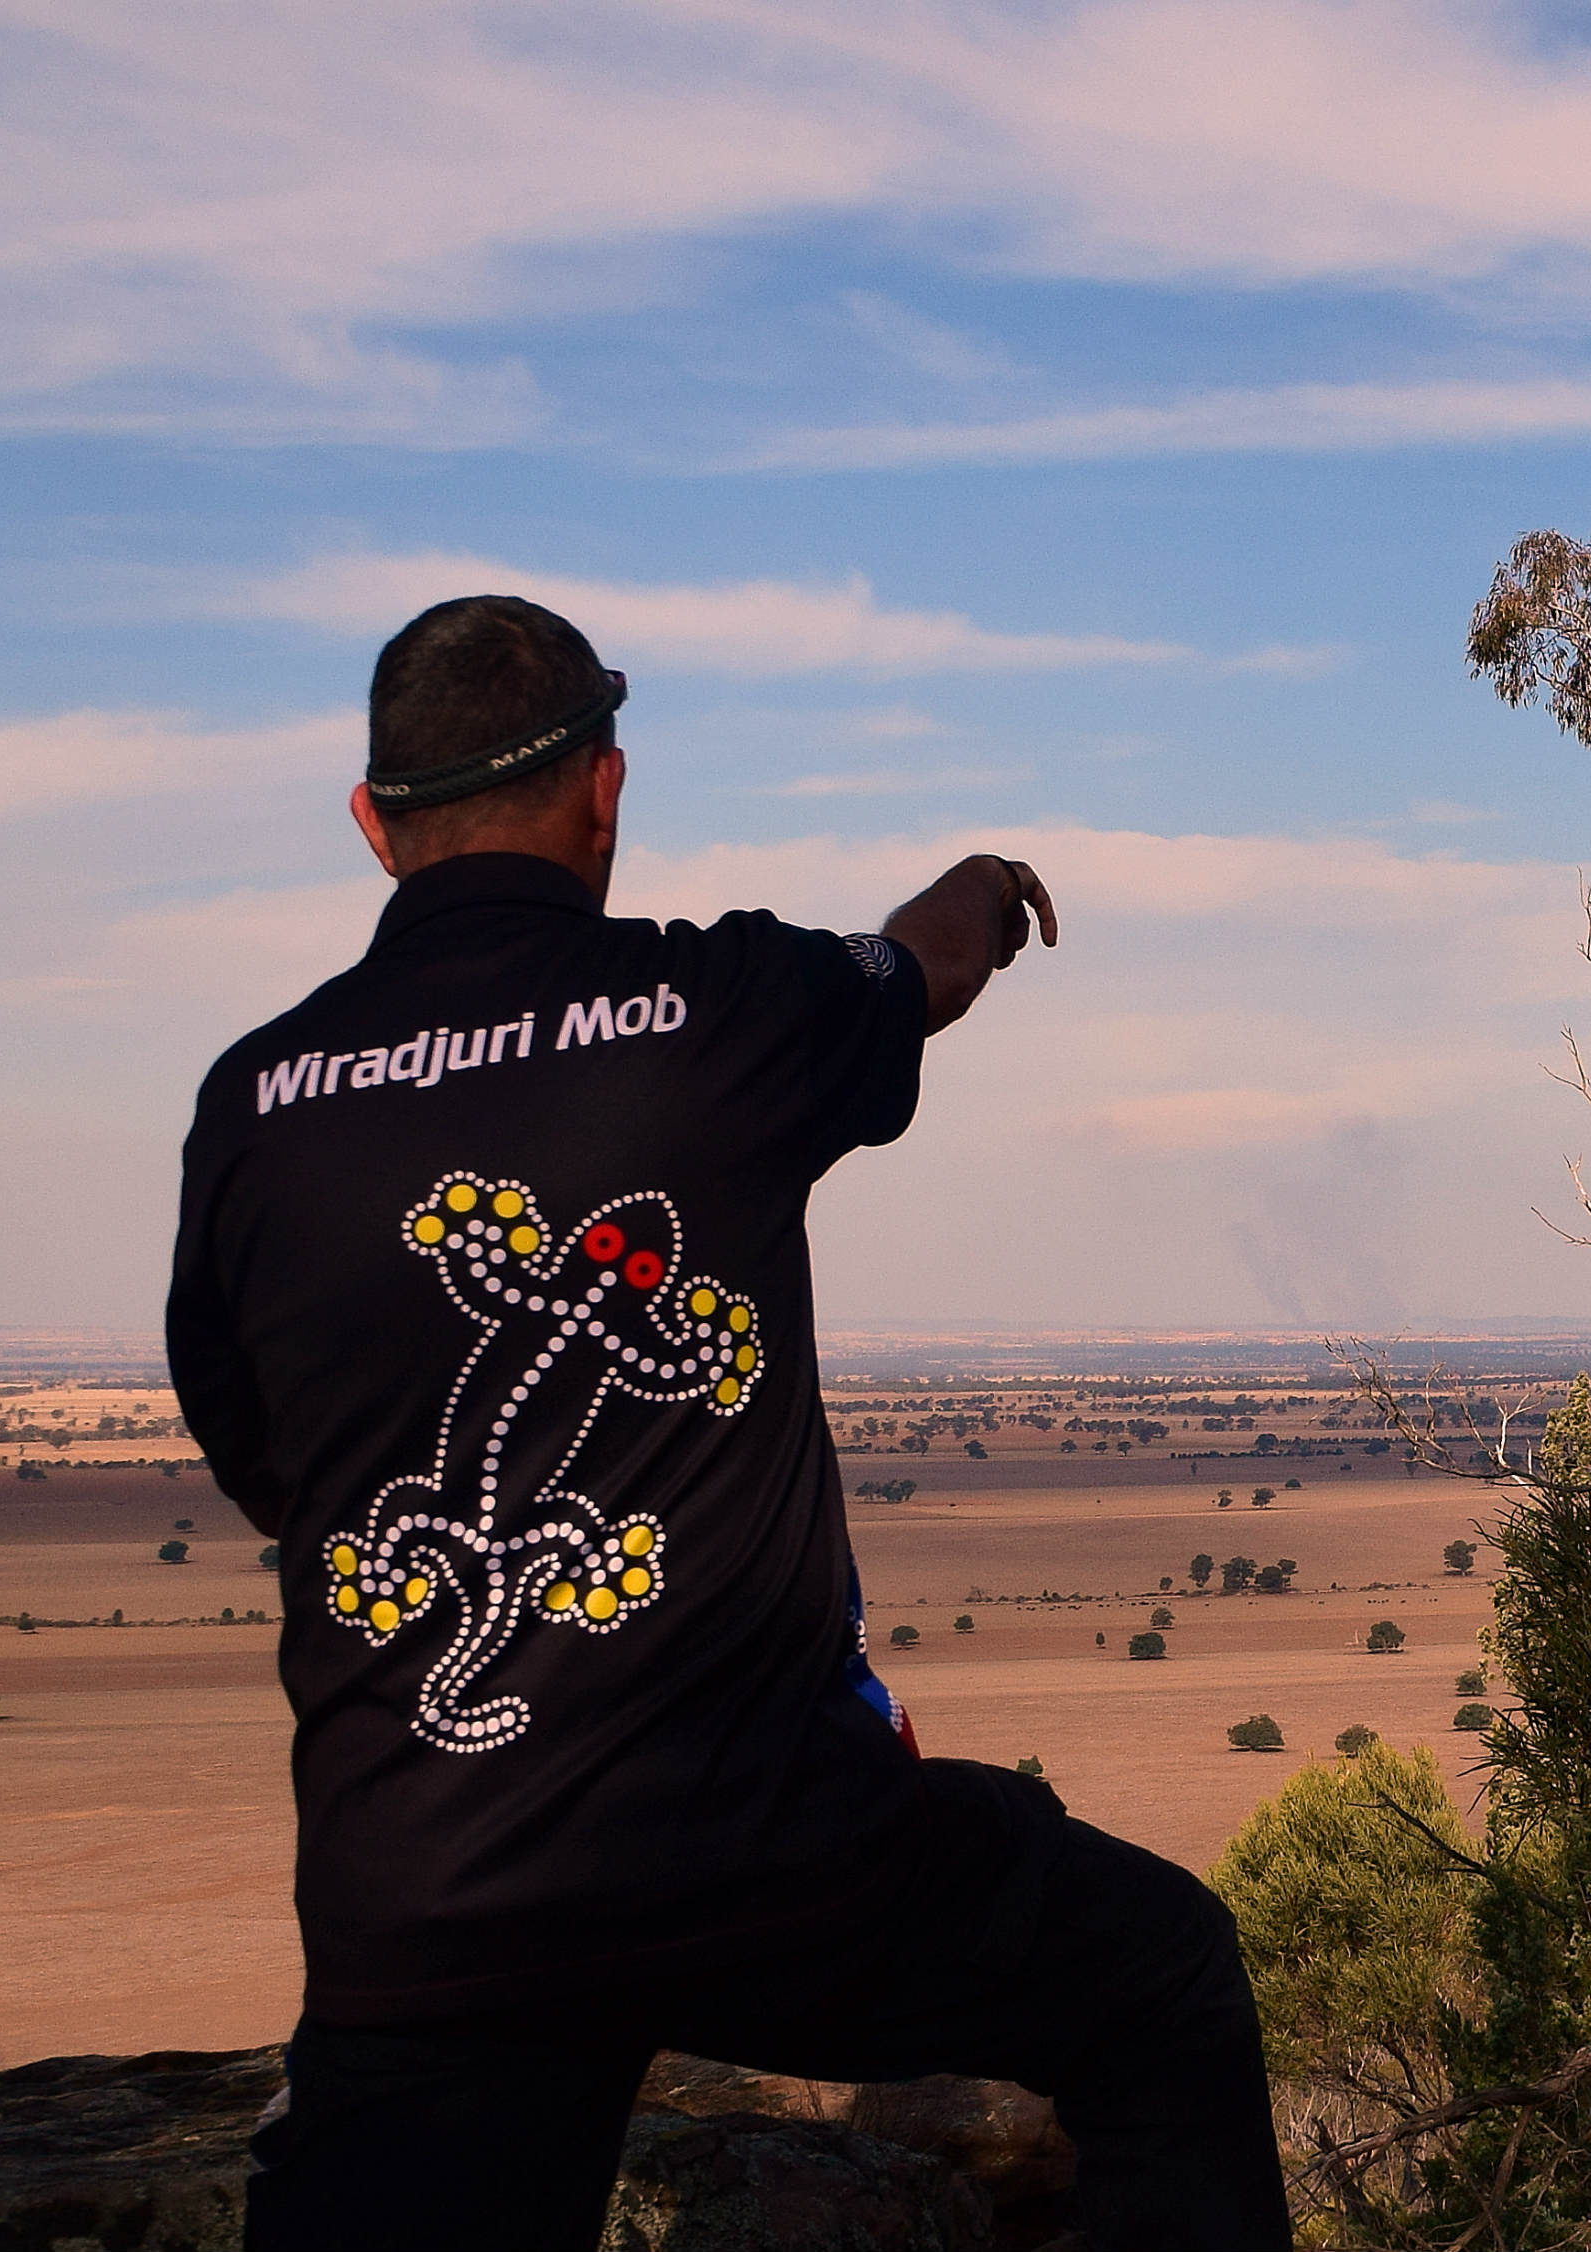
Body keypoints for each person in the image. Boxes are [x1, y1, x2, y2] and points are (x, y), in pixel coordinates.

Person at [165, 594, 1290, 2250]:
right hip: (781, 1868)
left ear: (373, 826)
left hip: (432, 1907)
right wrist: (983, 882)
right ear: (605, 790)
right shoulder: (727, 1008)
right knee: (1163, 1973)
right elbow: (928, 966)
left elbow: (268, 1464)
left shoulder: (255, 1102)